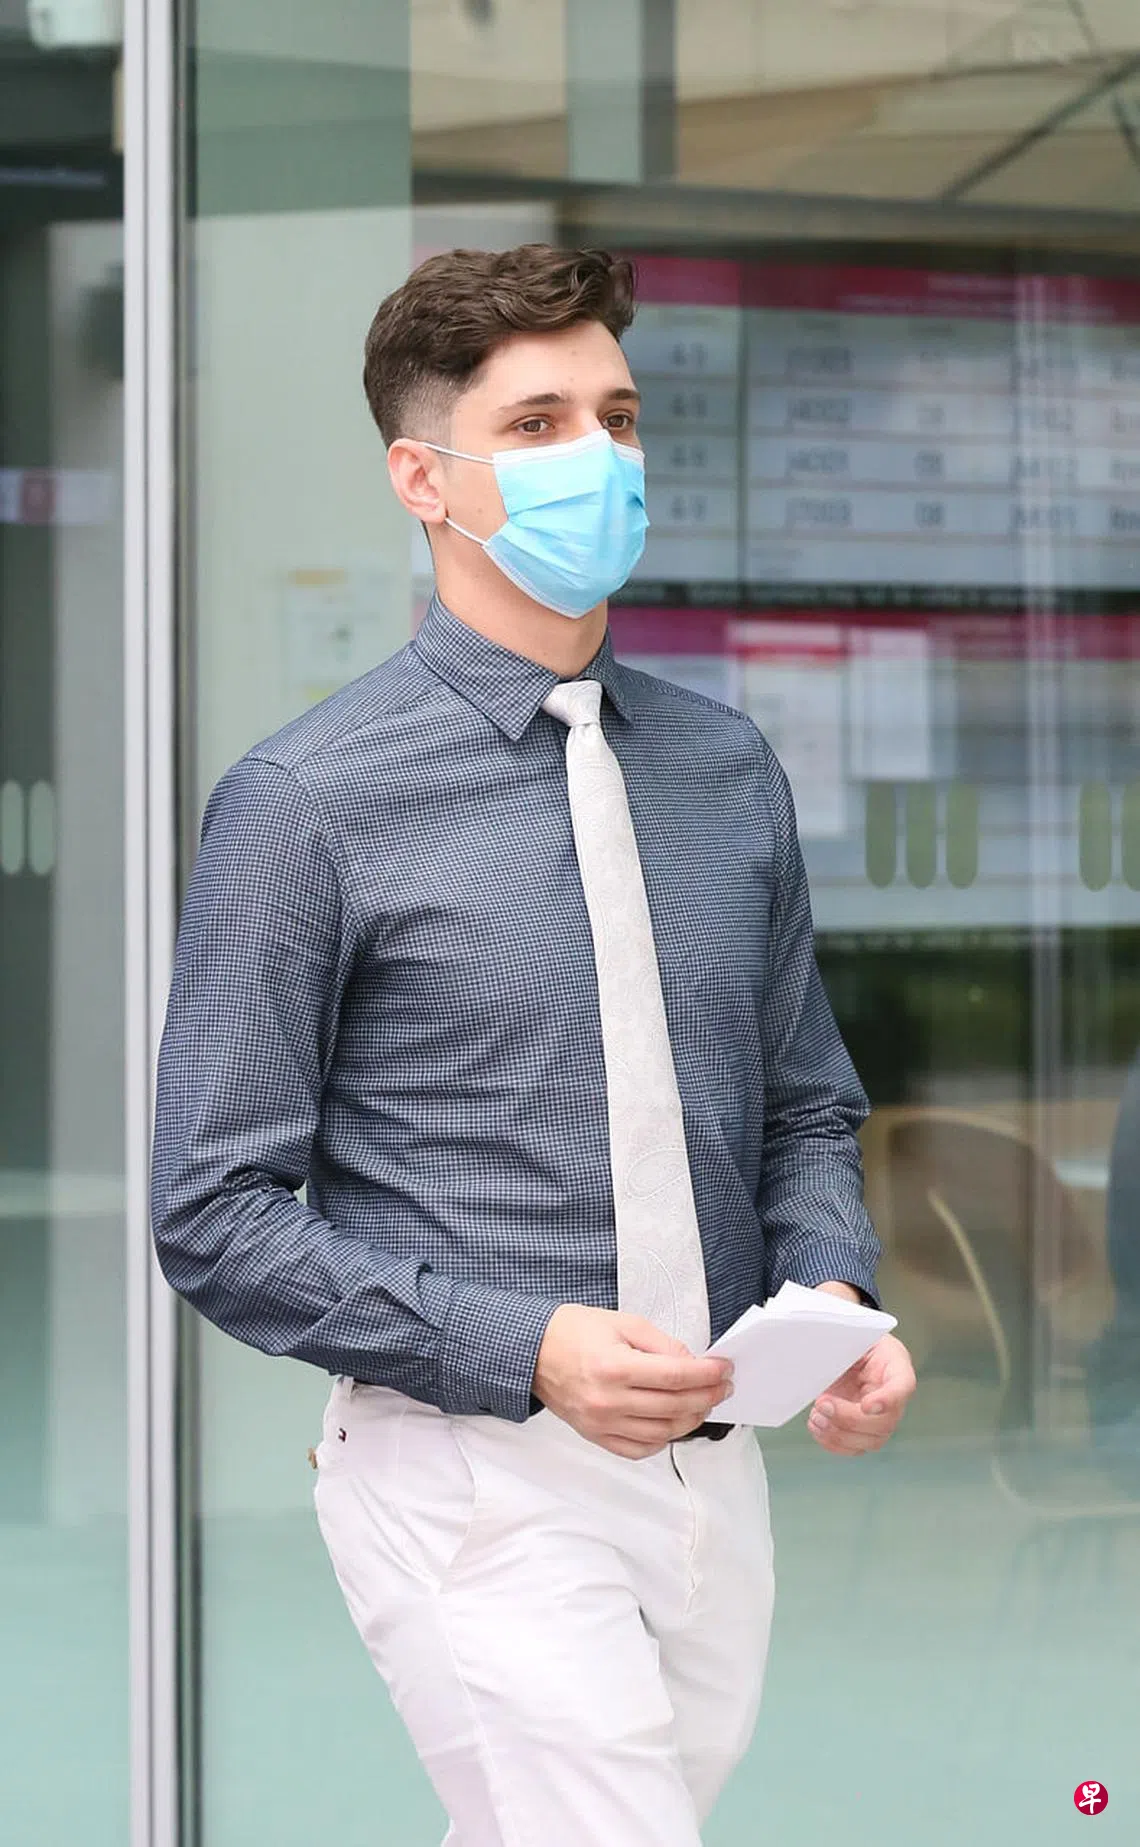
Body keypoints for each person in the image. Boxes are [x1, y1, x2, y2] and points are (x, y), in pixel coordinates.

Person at [152, 243, 917, 1846]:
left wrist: (835, 1297)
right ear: (422, 478)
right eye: (540, 423)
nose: (601, 457)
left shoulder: (724, 769)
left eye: (618, 418)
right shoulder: (306, 803)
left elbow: (802, 1109)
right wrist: (530, 1344)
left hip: (715, 1465)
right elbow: (214, 1212)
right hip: (472, 1471)